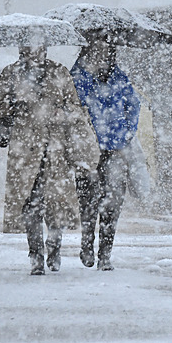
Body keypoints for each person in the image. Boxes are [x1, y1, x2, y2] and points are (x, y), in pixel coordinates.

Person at [0, 46, 99, 275]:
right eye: (28, 47)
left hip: (55, 148)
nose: (33, 51)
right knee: (30, 203)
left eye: (38, 46)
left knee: (56, 203)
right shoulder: (11, 73)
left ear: (45, 48)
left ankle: (54, 248)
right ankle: (35, 255)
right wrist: (12, 105)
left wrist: (62, 114)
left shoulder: (59, 72)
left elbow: (75, 108)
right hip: (25, 149)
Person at [70, 38, 140, 271]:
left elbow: (134, 105)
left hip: (115, 149)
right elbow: (74, 106)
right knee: (88, 202)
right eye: (96, 50)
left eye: (106, 51)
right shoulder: (78, 77)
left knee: (113, 203)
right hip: (87, 149)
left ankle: (105, 254)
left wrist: (128, 131)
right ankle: (87, 243)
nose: (101, 56)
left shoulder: (119, 78)